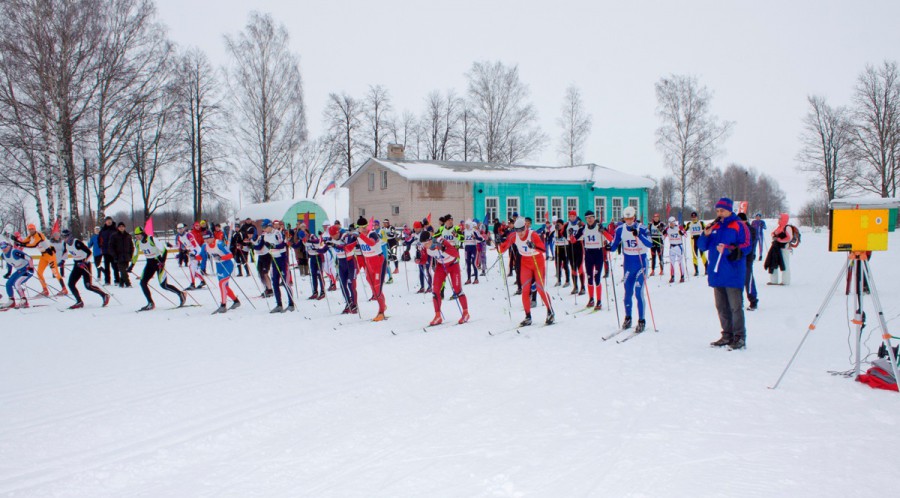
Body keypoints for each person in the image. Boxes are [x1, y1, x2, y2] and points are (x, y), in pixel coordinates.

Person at [698, 198, 751, 350]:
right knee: (721, 307)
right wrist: (705, 234)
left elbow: (747, 246)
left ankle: (739, 336)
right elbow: (702, 247)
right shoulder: (715, 226)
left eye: (722, 210)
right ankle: (727, 334)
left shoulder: (739, 225)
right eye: (717, 211)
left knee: (735, 307)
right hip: (717, 273)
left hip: (733, 273)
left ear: (729, 210)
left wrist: (728, 249)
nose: (719, 213)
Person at [498, 217, 554, 326]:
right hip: (525, 263)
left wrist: (534, 246)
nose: (520, 233)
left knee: (540, 288)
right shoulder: (514, 236)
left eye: (522, 230)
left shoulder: (533, 235)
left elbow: (543, 249)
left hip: (537, 261)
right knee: (525, 290)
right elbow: (502, 249)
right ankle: (528, 316)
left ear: (526, 227)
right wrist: (498, 242)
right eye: (517, 230)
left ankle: (550, 312)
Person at [608, 206, 652, 332]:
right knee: (627, 293)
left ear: (635, 217)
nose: (629, 221)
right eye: (626, 218)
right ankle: (628, 317)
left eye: (631, 218)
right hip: (628, 264)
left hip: (641, 263)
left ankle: (641, 320)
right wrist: (608, 247)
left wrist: (639, 236)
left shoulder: (642, 228)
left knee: (638, 292)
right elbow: (614, 245)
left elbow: (650, 243)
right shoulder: (620, 229)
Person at [422, 230, 470, 326]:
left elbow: (455, 253)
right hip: (441, 266)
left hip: (453, 265)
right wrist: (418, 260)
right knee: (435, 290)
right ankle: (438, 316)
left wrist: (443, 248)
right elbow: (423, 259)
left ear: (430, 240)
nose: (424, 246)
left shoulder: (441, 241)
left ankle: (465, 313)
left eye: (425, 243)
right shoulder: (425, 248)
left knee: (457, 290)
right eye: (423, 244)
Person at [133, 226, 186, 311]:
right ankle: (150, 303)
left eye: (138, 235)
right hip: (149, 263)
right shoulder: (138, 242)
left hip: (158, 262)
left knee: (163, 285)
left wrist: (162, 261)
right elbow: (135, 255)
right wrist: (131, 266)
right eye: (135, 235)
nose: (137, 237)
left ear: (142, 233)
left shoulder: (151, 239)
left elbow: (164, 250)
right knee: (143, 282)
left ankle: (181, 294)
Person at [62, 229, 110, 310]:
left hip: (85, 264)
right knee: (71, 284)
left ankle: (104, 295)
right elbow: (65, 253)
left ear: (70, 236)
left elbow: (89, 253)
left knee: (88, 286)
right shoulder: (65, 244)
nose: (64, 238)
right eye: (63, 237)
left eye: (66, 236)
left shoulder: (77, 243)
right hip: (77, 264)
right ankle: (79, 301)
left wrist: (84, 262)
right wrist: (62, 261)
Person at [17, 223, 67, 296]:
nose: (31, 230)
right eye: (30, 229)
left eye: (32, 229)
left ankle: (64, 289)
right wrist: (17, 240)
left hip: (50, 255)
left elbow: (33, 245)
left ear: (35, 229)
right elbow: (24, 242)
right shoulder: (30, 236)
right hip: (43, 256)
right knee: (39, 273)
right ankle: (45, 290)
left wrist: (22, 245)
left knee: (55, 272)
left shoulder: (38, 235)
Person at [356, 217, 389, 321]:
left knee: (377, 288)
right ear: (358, 228)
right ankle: (382, 305)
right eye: (361, 228)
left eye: (365, 227)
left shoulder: (372, 234)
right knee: (373, 287)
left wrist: (359, 235)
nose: (364, 229)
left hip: (378, 263)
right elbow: (350, 246)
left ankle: (381, 312)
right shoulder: (359, 236)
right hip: (369, 264)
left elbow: (371, 243)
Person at [200, 230, 241, 314]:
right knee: (225, 286)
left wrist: (221, 258)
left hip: (227, 265)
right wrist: (195, 258)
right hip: (219, 266)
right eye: (204, 239)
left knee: (221, 284)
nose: (206, 241)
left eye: (208, 238)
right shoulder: (205, 246)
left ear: (212, 237)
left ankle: (223, 306)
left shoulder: (219, 243)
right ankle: (236, 301)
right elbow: (202, 257)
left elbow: (230, 255)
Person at [259, 219, 294, 313]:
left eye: (264, 227)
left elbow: (282, 245)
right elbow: (260, 245)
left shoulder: (277, 233)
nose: (264, 229)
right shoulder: (265, 235)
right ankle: (279, 304)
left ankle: (291, 304)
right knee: (275, 282)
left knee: (285, 282)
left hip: (282, 258)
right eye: (262, 227)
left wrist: (273, 246)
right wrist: (251, 245)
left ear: (269, 226)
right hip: (274, 259)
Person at [579, 210, 610, 311]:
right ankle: (591, 299)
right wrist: (571, 234)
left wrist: (603, 231)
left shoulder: (599, 226)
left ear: (594, 218)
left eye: (591, 217)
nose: (590, 219)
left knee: (597, 278)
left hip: (598, 253)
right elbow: (574, 239)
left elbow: (611, 238)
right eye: (587, 218)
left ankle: (599, 300)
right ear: (586, 219)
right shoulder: (583, 228)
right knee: (589, 278)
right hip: (588, 254)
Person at [327, 224, 359, 314]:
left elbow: (346, 248)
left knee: (350, 284)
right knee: (342, 285)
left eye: (334, 235)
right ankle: (348, 303)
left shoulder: (346, 236)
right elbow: (323, 248)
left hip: (350, 263)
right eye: (331, 236)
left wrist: (334, 245)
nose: (333, 237)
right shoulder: (332, 239)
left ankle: (354, 305)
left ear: (337, 233)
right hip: (341, 264)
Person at [0, 240, 35, 309]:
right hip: (19, 271)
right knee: (8, 284)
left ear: (8, 246)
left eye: (5, 247)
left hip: (26, 269)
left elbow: (29, 258)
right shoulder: (3, 255)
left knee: (17, 283)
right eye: (1, 247)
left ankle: (24, 300)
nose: (4, 249)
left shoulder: (15, 252)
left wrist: (31, 268)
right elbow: (9, 262)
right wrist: (9, 272)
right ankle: (11, 301)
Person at [738, 213, 759, 310]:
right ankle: (738, 301)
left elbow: (751, 244)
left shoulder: (751, 230)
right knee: (737, 280)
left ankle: (753, 300)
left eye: (740, 220)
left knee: (748, 279)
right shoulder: (737, 229)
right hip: (738, 258)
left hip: (747, 258)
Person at [765, 214, 792, 286]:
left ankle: (785, 281)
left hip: (784, 248)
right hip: (776, 247)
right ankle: (774, 280)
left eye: (780, 218)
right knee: (774, 261)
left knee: (785, 263)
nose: (779, 219)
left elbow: (789, 238)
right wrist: (774, 236)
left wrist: (779, 239)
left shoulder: (787, 227)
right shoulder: (779, 227)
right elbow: (773, 233)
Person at [566, 210, 586, 296]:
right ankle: (575, 286)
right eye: (570, 216)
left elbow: (584, 230)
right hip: (570, 245)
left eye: (573, 216)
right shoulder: (567, 224)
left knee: (580, 266)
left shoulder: (580, 224)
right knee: (572, 266)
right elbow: (561, 232)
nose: (572, 218)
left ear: (576, 216)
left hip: (579, 244)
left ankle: (583, 287)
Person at [109, 222, 134, 287]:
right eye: (120, 227)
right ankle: (128, 283)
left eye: (122, 226)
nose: (121, 228)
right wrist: (114, 255)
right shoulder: (114, 236)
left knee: (124, 270)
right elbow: (111, 247)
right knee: (123, 271)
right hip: (118, 256)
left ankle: (121, 283)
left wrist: (131, 254)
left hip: (127, 256)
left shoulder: (128, 236)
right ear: (118, 228)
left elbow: (131, 246)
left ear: (124, 227)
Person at [684, 212, 708, 276]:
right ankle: (696, 271)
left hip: (700, 240)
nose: (694, 218)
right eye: (692, 217)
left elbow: (707, 229)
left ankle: (707, 269)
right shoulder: (689, 224)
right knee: (694, 255)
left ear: (697, 217)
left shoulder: (701, 223)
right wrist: (682, 228)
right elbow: (683, 231)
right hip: (693, 241)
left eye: (695, 217)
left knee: (702, 255)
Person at [664, 217, 686, 283]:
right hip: (672, 247)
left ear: (674, 222)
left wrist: (682, 232)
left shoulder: (679, 227)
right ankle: (672, 277)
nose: (671, 224)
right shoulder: (668, 229)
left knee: (680, 262)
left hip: (679, 246)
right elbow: (663, 236)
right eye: (670, 223)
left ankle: (682, 276)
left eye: (672, 223)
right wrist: (662, 232)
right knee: (672, 263)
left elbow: (685, 235)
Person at [463, 220, 484, 285]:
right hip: (467, 248)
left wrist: (475, 237)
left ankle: (476, 279)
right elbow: (461, 238)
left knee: (474, 263)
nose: (466, 226)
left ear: (470, 225)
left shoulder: (474, 231)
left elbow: (481, 239)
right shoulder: (464, 231)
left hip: (473, 248)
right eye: (465, 225)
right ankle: (469, 279)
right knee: (468, 263)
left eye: (467, 225)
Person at [98, 217, 117, 284]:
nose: (109, 222)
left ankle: (117, 280)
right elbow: (99, 240)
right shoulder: (103, 230)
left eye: (110, 221)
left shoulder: (115, 229)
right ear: (105, 222)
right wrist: (101, 246)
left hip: (114, 251)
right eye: (107, 221)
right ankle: (107, 281)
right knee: (106, 267)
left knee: (115, 266)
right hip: (105, 251)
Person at [553, 219, 570, 287]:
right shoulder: (555, 231)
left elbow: (565, 235)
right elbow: (551, 236)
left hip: (565, 248)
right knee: (557, 265)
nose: (558, 226)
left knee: (565, 265)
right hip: (557, 248)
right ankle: (559, 280)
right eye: (557, 224)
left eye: (559, 225)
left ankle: (567, 280)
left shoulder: (565, 230)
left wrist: (562, 230)